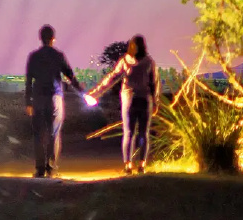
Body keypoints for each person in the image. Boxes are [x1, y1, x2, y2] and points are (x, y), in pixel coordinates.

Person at [88, 34, 161, 174]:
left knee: (128, 133)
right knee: (143, 134)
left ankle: (128, 165)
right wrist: (156, 102)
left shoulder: (125, 60)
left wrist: (96, 92)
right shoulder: (149, 61)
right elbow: (154, 83)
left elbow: (111, 77)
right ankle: (142, 164)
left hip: (129, 100)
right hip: (145, 100)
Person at [25, 23, 85, 178]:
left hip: (38, 98)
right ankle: (51, 169)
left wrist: (28, 102)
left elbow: (28, 80)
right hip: (55, 97)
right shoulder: (59, 55)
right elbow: (70, 76)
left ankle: (39, 170)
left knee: (38, 134)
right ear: (53, 39)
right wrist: (82, 91)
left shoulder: (33, 56)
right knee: (54, 133)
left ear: (40, 38)